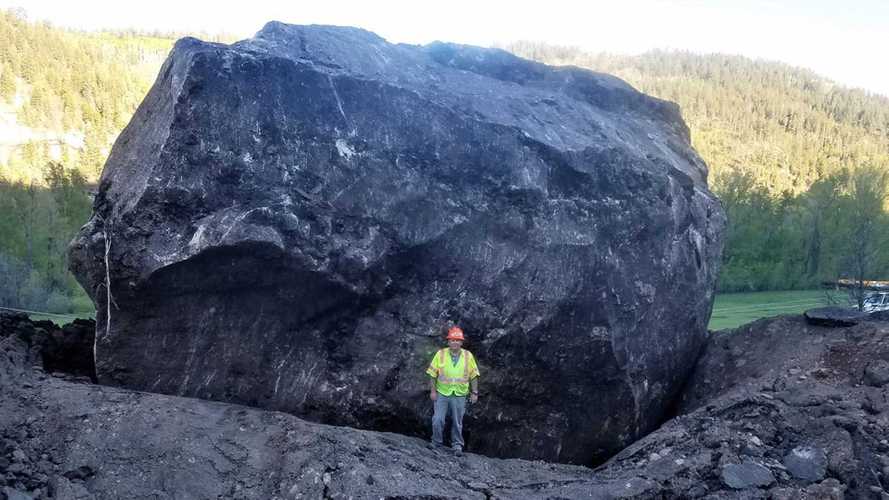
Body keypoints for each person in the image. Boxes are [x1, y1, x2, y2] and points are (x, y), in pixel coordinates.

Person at [426, 325, 480, 456]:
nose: (455, 342)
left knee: (457, 422)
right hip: (442, 393)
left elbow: (474, 375)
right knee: (438, 419)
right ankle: (436, 442)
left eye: (457, 340)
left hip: (460, 394)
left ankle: (457, 446)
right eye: (452, 340)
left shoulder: (468, 356)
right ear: (448, 341)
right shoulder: (441, 354)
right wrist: (433, 391)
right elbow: (432, 374)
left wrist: (475, 392)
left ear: (461, 342)